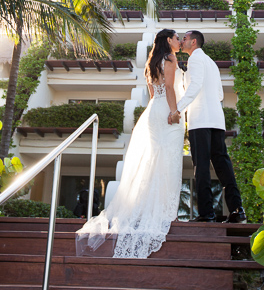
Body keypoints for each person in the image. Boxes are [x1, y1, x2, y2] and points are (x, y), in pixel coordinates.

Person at [75, 29, 184, 259]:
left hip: (152, 111)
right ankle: (165, 212)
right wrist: (174, 112)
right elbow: (171, 89)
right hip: (166, 110)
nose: (179, 42)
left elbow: (154, 92)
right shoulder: (170, 59)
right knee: (169, 161)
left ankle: (147, 209)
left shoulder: (152, 62)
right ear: (168, 40)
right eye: (176, 38)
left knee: (154, 160)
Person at [173, 30, 245, 223]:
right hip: (216, 120)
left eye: (185, 39)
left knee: (201, 166)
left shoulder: (195, 60)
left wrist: (178, 109)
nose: (182, 41)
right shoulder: (211, 63)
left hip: (201, 120)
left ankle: (206, 213)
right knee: (223, 165)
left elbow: (194, 86)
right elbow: (220, 94)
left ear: (194, 42)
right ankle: (237, 210)